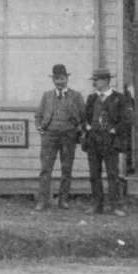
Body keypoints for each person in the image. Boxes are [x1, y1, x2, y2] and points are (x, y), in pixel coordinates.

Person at [33, 64, 85, 211]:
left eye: (62, 78)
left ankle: (63, 200)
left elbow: (84, 117)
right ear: (53, 80)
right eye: (56, 79)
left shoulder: (76, 96)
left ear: (67, 79)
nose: (59, 82)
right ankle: (42, 201)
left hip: (69, 136)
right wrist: (41, 131)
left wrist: (78, 132)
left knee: (66, 169)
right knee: (45, 169)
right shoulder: (47, 96)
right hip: (49, 136)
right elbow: (38, 116)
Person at [81, 68, 128, 217]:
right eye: (94, 80)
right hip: (93, 140)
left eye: (98, 80)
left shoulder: (119, 98)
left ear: (106, 81)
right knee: (94, 174)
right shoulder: (91, 98)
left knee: (112, 174)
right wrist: (87, 127)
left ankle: (115, 207)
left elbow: (127, 119)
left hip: (110, 141)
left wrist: (115, 130)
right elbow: (84, 118)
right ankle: (97, 205)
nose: (95, 83)